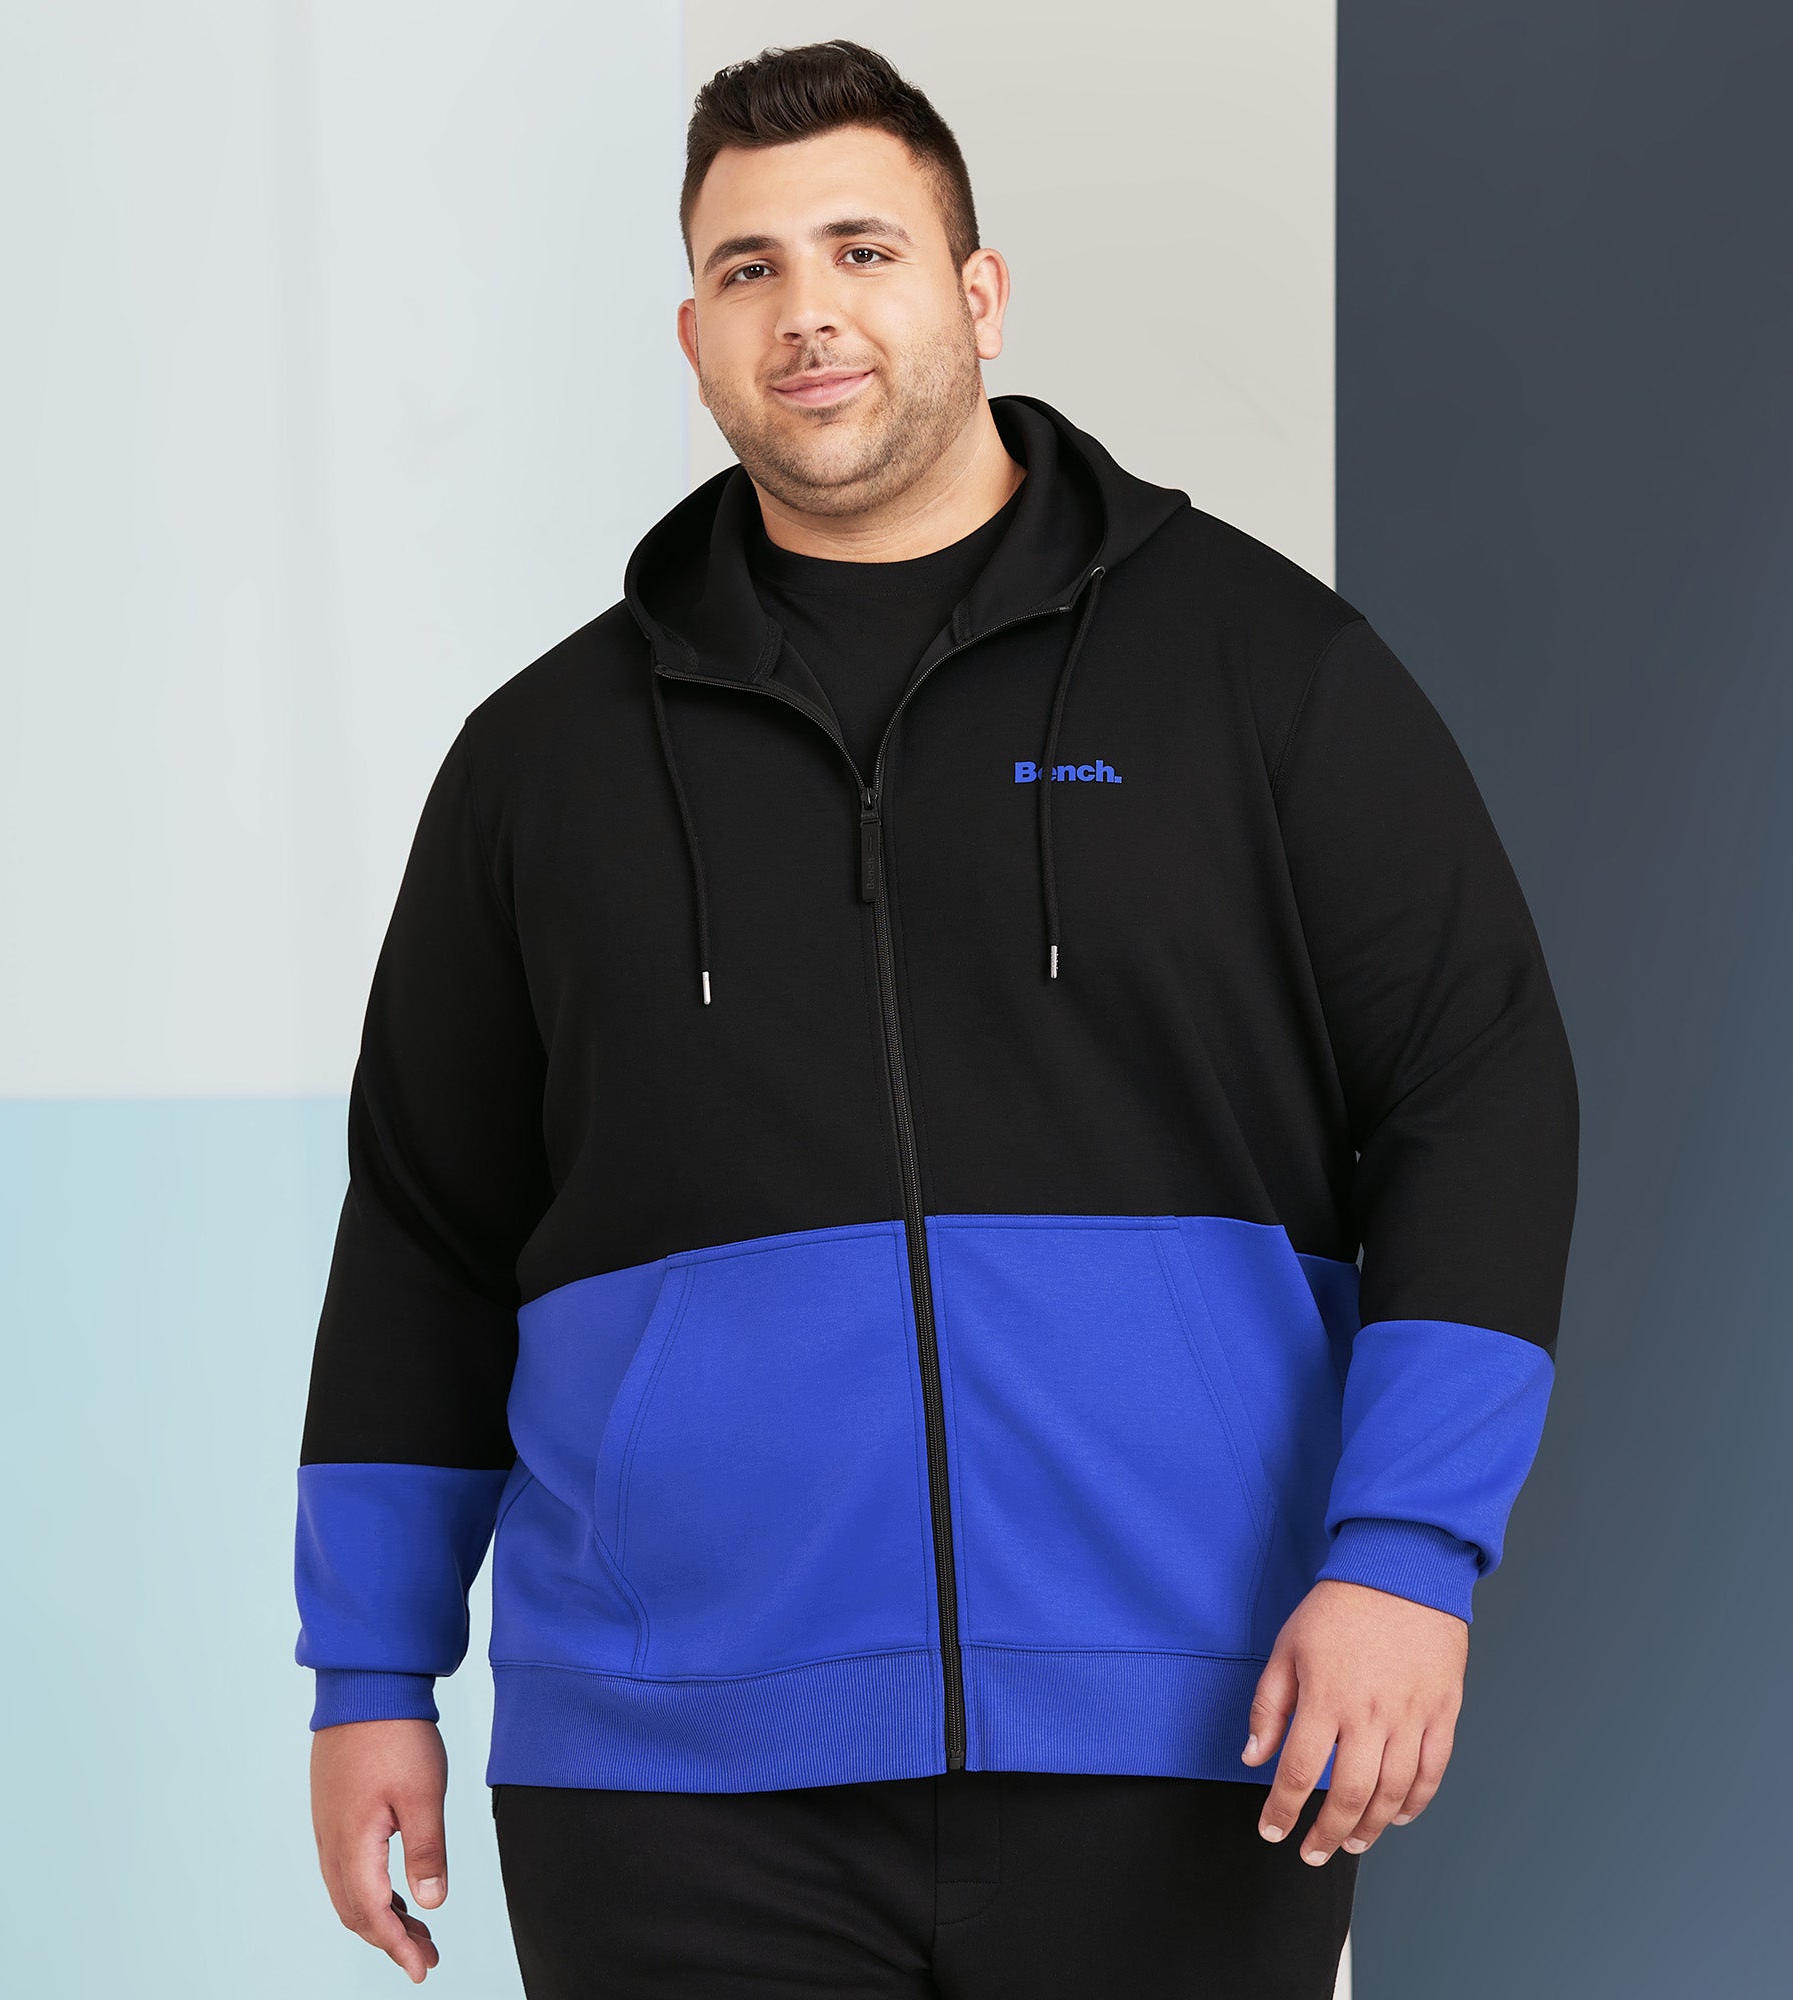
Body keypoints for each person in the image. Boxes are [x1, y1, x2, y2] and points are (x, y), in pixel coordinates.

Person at [295, 39, 1579, 1999]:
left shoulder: (1265, 670)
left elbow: (1477, 1094)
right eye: (748, 270)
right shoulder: (540, 764)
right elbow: (425, 1229)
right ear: (694, 338)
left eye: (863, 249)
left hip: (1182, 1724)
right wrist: (371, 1673)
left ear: (977, 292)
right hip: (668, 1775)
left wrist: (1408, 1552)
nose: (806, 311)